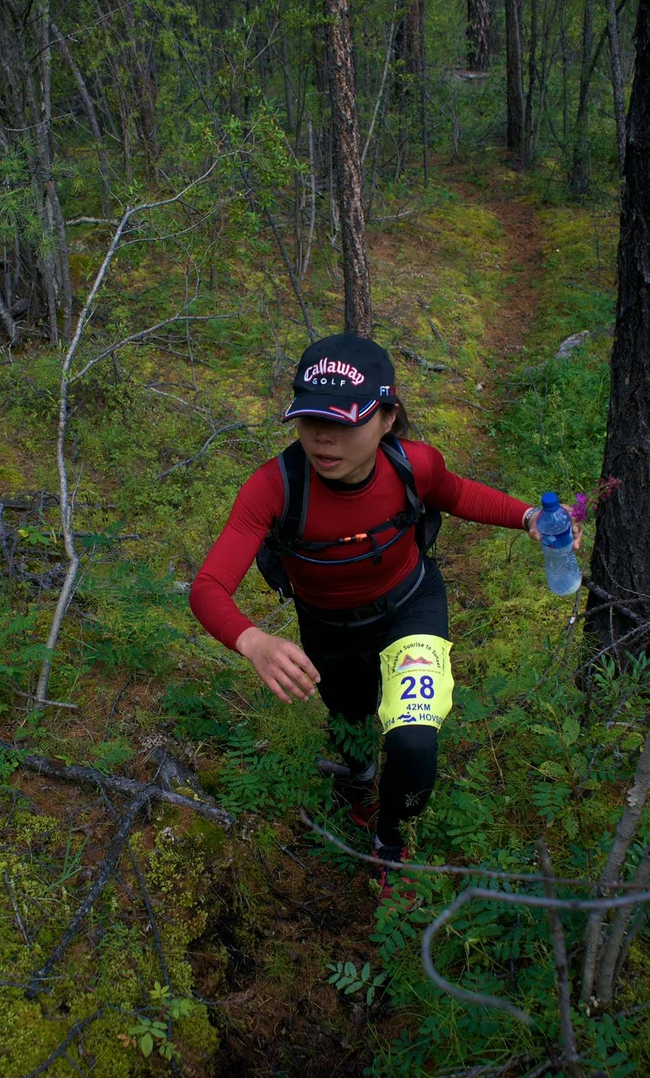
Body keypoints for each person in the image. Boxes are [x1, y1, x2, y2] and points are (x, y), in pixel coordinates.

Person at [189, 334, 581, 900]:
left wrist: (526, 516)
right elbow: (208, 587)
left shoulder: (414, 464)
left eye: (345, 422)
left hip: (409, 605)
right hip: (327, 625)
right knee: (348, 720)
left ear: (387, 418)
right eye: (309, 421)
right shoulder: (273, 487)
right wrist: (252, 641)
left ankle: (392, 844)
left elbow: (458, 493)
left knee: (413, 740)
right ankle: (360, 779)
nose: (324, 438)